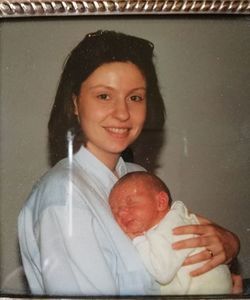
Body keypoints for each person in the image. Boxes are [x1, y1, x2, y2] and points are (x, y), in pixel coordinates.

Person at [18, 30, 240, 296]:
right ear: (75, 103)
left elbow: (180, 245)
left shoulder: (135, 175)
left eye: (135, 97)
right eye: (104, 96)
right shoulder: (63, 199)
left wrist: (228, 244)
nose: (123, 113)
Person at [109, 171, 233, 294]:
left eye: (130, 203)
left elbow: (162, 273)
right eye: (115, 210)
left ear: (161, 202)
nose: (121, 213)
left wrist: (138, 240)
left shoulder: (172, 226)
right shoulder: (165, 226)